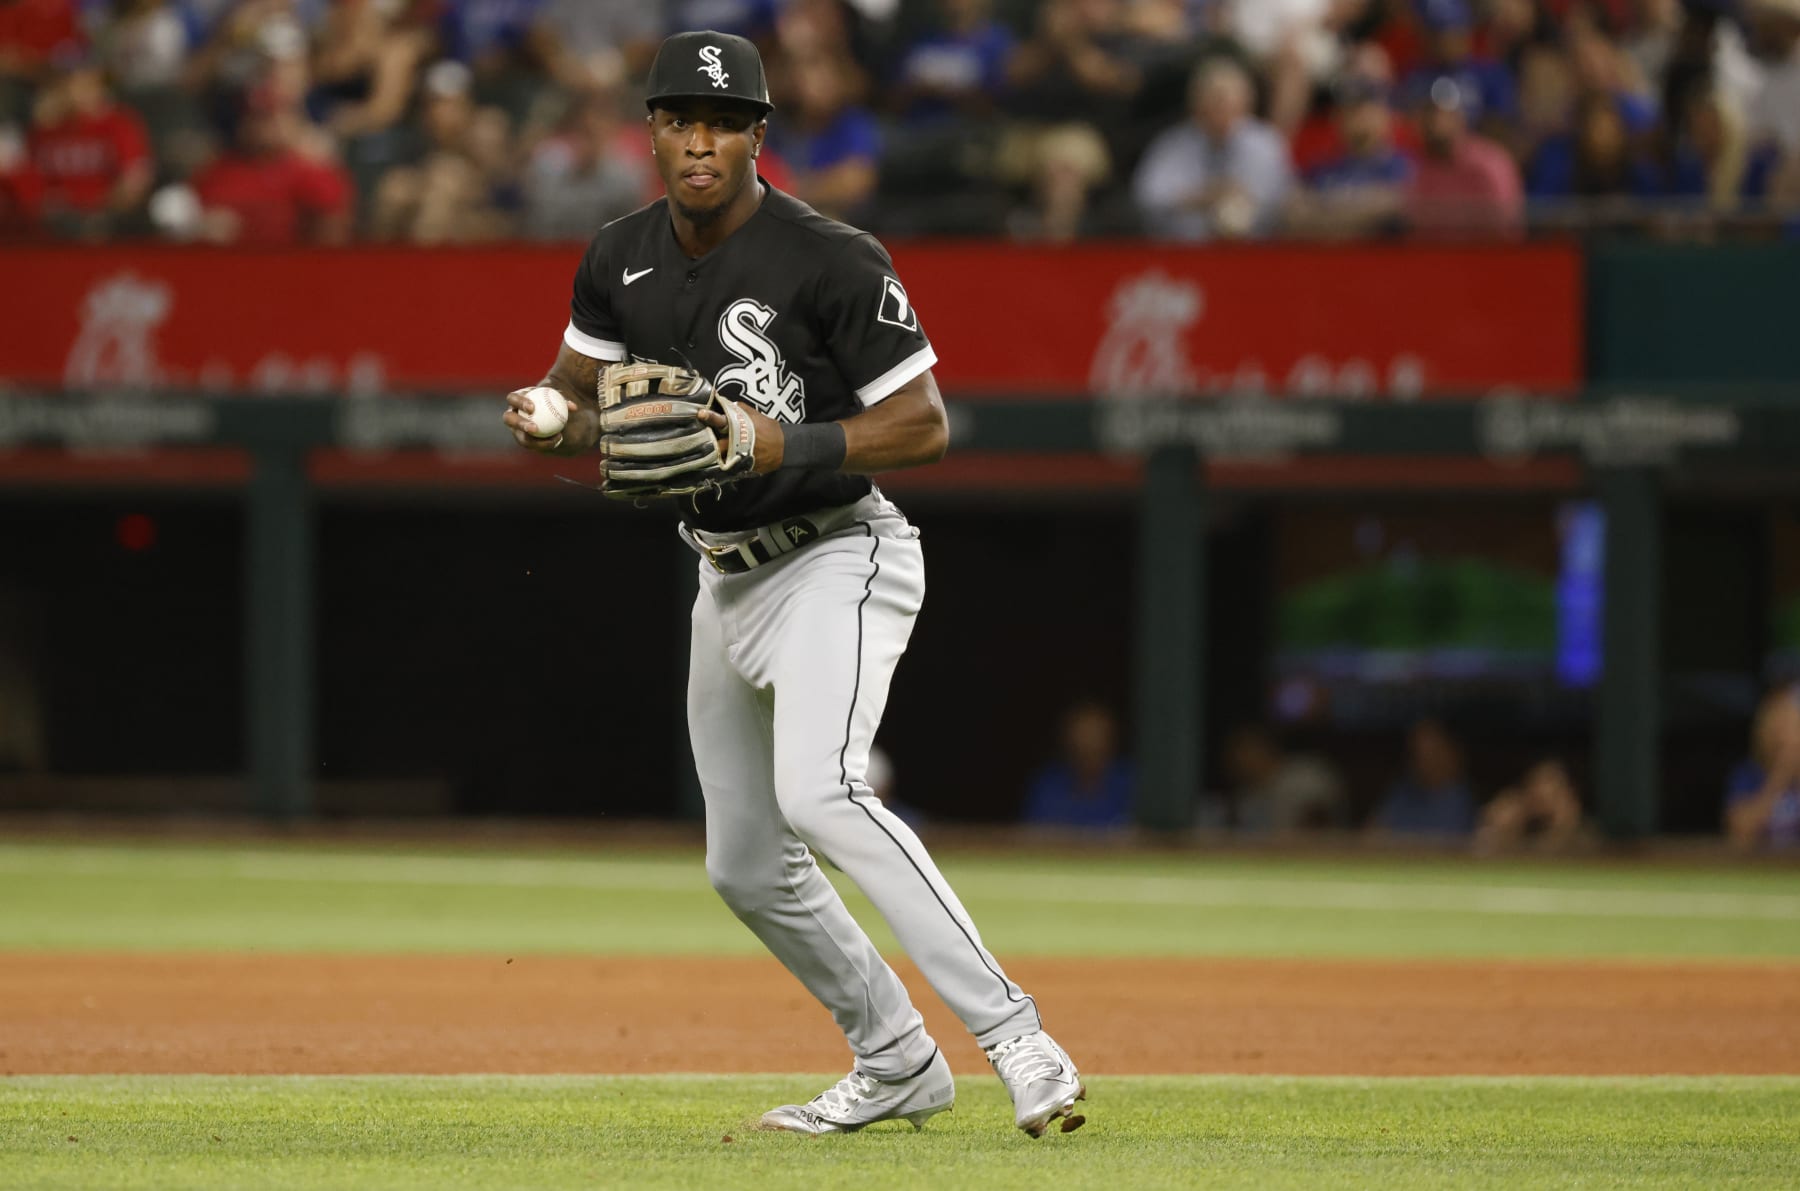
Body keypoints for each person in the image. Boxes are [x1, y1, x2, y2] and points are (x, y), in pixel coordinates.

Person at [499, 31, 1085, 1139]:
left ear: (758, 136)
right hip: (720, 581)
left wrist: (775, 443)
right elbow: (575, 391)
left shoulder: (831, 255)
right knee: (744, 865)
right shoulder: (618, 254)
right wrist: (551, 418)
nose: (700, 140)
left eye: (723, 121)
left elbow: (924, 426)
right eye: (680, 119)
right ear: (656, 133)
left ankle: (1019, 1038)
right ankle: (898, 1059)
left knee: (821, 793)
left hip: (837, 553)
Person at [1132, 56, 1293, 240]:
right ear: (1196, 104)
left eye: (1229, 102)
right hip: (1182, 253)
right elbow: (1148, 198)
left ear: (1246, 103)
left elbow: (1277, 202)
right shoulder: (1173, 144)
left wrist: (1235, 197)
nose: (1222, 110)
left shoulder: (1266, 144)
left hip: (1254, 253)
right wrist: (1201, 197)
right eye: (1214, 101)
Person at [1022, 700, 1135, 830]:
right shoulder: (1047, 788)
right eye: (1081, 741)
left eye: (1097, 739)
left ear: (1111, 742)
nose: (1089, 746)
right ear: (1068, 744)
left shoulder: (1132, 786)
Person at [1223, 724, 1347, 833]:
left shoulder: (1305, 773)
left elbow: (1319, 827)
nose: (1240, 760)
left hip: (1317, 855)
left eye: (1246, 750)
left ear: (1265, 747)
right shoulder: (1247, 796)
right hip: (1272, 855)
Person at [1371, 716, 1477, 836]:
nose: (1425, 761)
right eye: (1418, 752)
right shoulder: (1403, 793)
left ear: (1451, 753)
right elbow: (1373, 832)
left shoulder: (1460, 801)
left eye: (1432, 752)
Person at [1724, 686, 1800, 850]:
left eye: (1793, 727)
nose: (1784, 737)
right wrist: (1781, 775)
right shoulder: (1748, 774)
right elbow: (1740, 830)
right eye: (1778, 727)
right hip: (1761, 869)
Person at [1475, 758, 1584, 853]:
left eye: (1553, 792)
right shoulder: (1524, 828)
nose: (1539, 793)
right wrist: (1495, 828)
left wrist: (1565, 827)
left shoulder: (1583, 834)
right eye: (1535, 785)